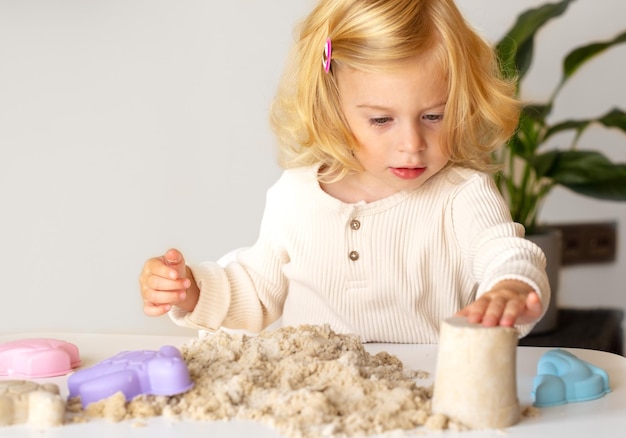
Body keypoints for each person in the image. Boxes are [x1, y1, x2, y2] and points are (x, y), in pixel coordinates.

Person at [139, 0, 550, 343]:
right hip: (316, 402)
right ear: (333, 105)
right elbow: (254, 291)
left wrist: (512, 287)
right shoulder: (296, 195)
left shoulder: (462, 195)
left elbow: (505, 253)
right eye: (381, 120)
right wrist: (192, 292)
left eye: (433, 115)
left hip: (426, 402)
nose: (412, 143)